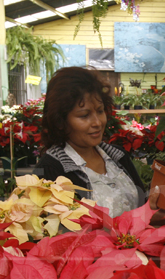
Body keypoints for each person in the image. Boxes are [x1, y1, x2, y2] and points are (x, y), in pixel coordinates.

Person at [35, 67, 150, 217]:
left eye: (100, 111)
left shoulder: (117, 157)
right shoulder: (50, 171)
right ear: (60, 121)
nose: (97, 122)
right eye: (84, 115)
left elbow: (142, 208)